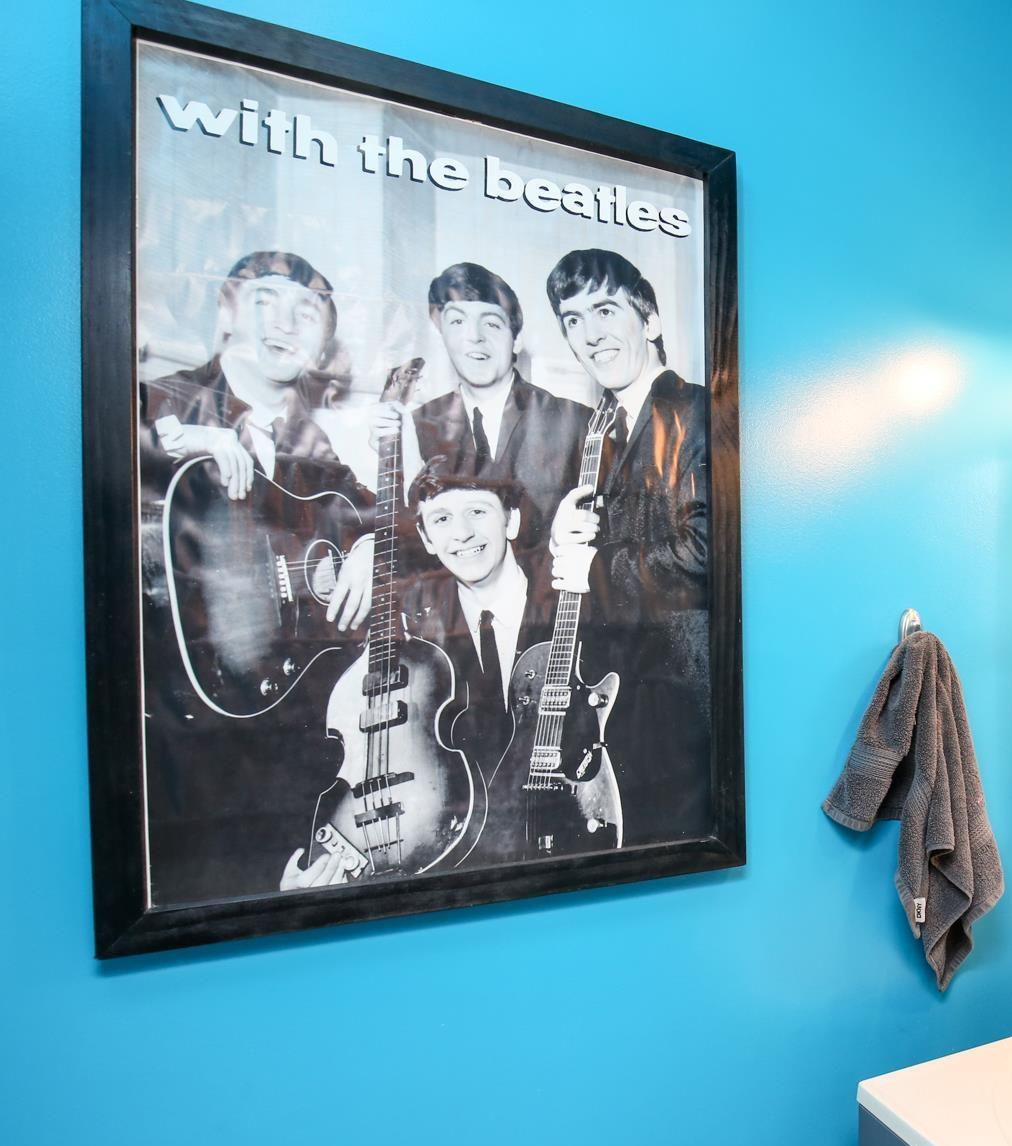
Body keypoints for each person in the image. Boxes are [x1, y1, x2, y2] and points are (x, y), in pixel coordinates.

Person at [139, 251, 376, 902]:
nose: (285, 323)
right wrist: (185, 439)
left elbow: (382, 515)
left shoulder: (313, 450)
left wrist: (374, 544)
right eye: (265, 301)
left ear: (323, 345)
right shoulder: (157, 400)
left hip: (279, 737)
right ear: (226, 313)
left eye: (308, 312)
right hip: (179, 742)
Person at [279, 469, 542, 887]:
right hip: (458, 863)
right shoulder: (417, 630)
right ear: (425, 537)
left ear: (512, 521)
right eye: (442, 519)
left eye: (477, 512)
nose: (461, 533)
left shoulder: (569, 597)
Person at [542, 248, 711, 846]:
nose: (590, 334)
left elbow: (704, 551)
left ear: (651, 320)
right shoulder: (598, 431)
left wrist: (595, 567)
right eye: (573, 320)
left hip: (687, 706)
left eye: (606, 311)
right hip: (623, 707)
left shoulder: (697, 410)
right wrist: (559, 538)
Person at [369, 262, 590, 576]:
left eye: (491, 323)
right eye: (457, 321)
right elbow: (412, 540)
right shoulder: (417, 425)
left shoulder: (577, 421)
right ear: (441, 334)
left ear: (516, 339)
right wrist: (368, 543)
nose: (474, 337)